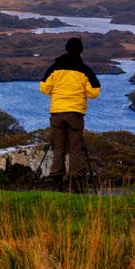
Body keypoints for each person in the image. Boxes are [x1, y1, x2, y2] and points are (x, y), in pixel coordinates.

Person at [39, 36, 100, 188]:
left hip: (57, 112)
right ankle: (74, 179)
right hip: (75, 113)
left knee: (58, 146)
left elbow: (44, 88)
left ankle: (55, 176)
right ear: (81, 51)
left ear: (66, 49)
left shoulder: (55, 67)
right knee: (75, 148)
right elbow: (94, 92)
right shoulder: (84, 69)